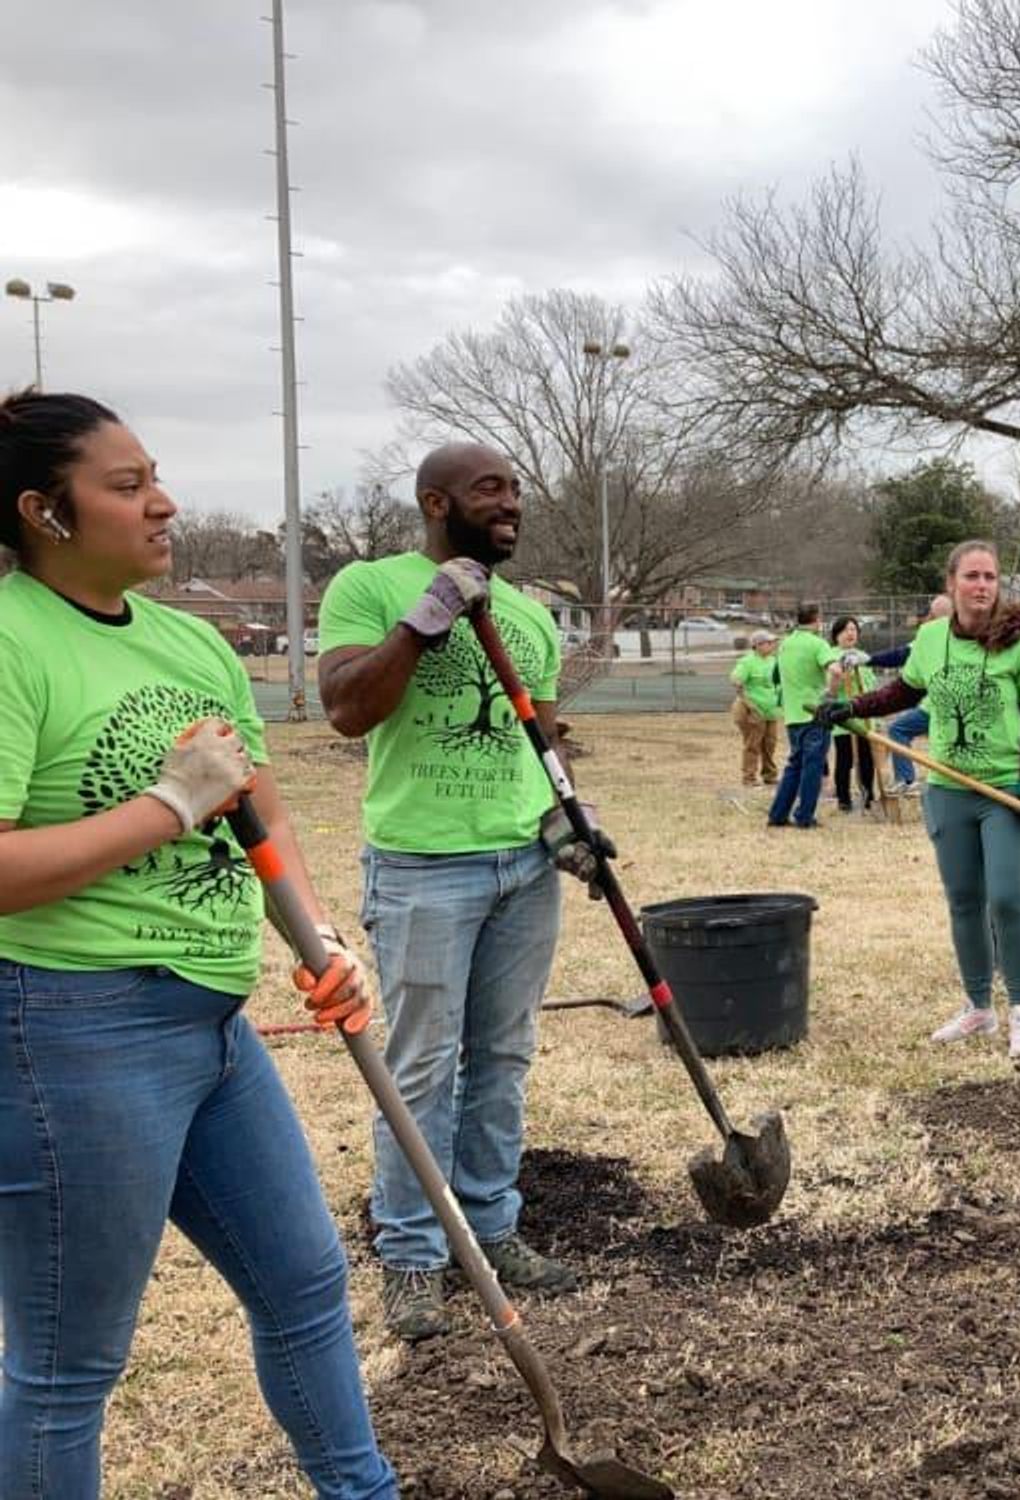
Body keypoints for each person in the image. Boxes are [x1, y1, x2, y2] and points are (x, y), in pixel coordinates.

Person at [0, 391, 398, 1497]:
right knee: (69, 1365)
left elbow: (259, 813)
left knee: (307, 1287)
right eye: (124, 487)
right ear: (45, 511)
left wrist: (314, 937)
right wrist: (167, 806)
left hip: (213, 1023)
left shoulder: (192, 641)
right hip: (71, 1029)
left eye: (154, 476)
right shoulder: (10, 641)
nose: (162, 502)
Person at [318, 442, 604, 1341]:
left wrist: (566, 819)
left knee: (505, 1059)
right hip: (422, 867)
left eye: (517, 489)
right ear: (437, 502)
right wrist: (422, 622)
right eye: (491, 489)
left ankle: (492, 1228)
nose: (512, 502)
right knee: (421, 1069)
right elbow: (346, 708)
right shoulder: (369, 585)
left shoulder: (529, 615)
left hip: (523, 868)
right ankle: (411, 1253)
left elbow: (541, 738)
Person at [818, 542, 1020, 1058]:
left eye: (990, 576)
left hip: (1006, 789)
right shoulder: (929, 638)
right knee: (964, 901)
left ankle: (1019, 1010)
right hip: (948, 788)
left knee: (1009, 900)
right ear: (952, 584)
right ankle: (978, 1009)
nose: (982, 585)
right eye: (971, 576)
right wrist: (850, 707)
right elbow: (904, 692)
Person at [766, 603, 845, 829]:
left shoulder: (785, 644)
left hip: (792, 713)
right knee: (813, 765)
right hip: (815, 713)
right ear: (817, 619)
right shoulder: (817, 644)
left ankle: (778, 814)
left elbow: (777, 677)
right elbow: (836, 670)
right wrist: (830, 693)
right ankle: (804, 816)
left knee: (795, 764)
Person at [868, 593, 952, 795]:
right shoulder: (970, 631)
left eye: (929, 615)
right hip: (948, 703)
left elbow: (898, 656)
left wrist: (867, 659)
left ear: (932, 616)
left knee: (898, 729)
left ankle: (906, 780)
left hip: (939, 704)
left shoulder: (930, 634)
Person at [827, 615, 878, 813]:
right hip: (844, 715)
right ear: (836, 635)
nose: (851, 634)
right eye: (846, 630)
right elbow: (830, 687)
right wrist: (841, 673)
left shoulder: (862, 656)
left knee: (867, 758)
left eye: (854, 630)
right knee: (845, 759)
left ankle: (868, 797)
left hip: (864, 716)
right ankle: (844, 799)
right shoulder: (831, 656)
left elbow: (871, 684)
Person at [729, 629, 782, 787]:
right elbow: (736, 681)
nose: (773, 645)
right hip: (753, 711)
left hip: (771, 712)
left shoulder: (774, 661)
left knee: (770, 744)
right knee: (753, 744)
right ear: (757, 645)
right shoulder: (747, 662)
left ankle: (770, 776)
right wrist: (749, 705)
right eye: (769, 642)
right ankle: (749, 778)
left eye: (773, 642)